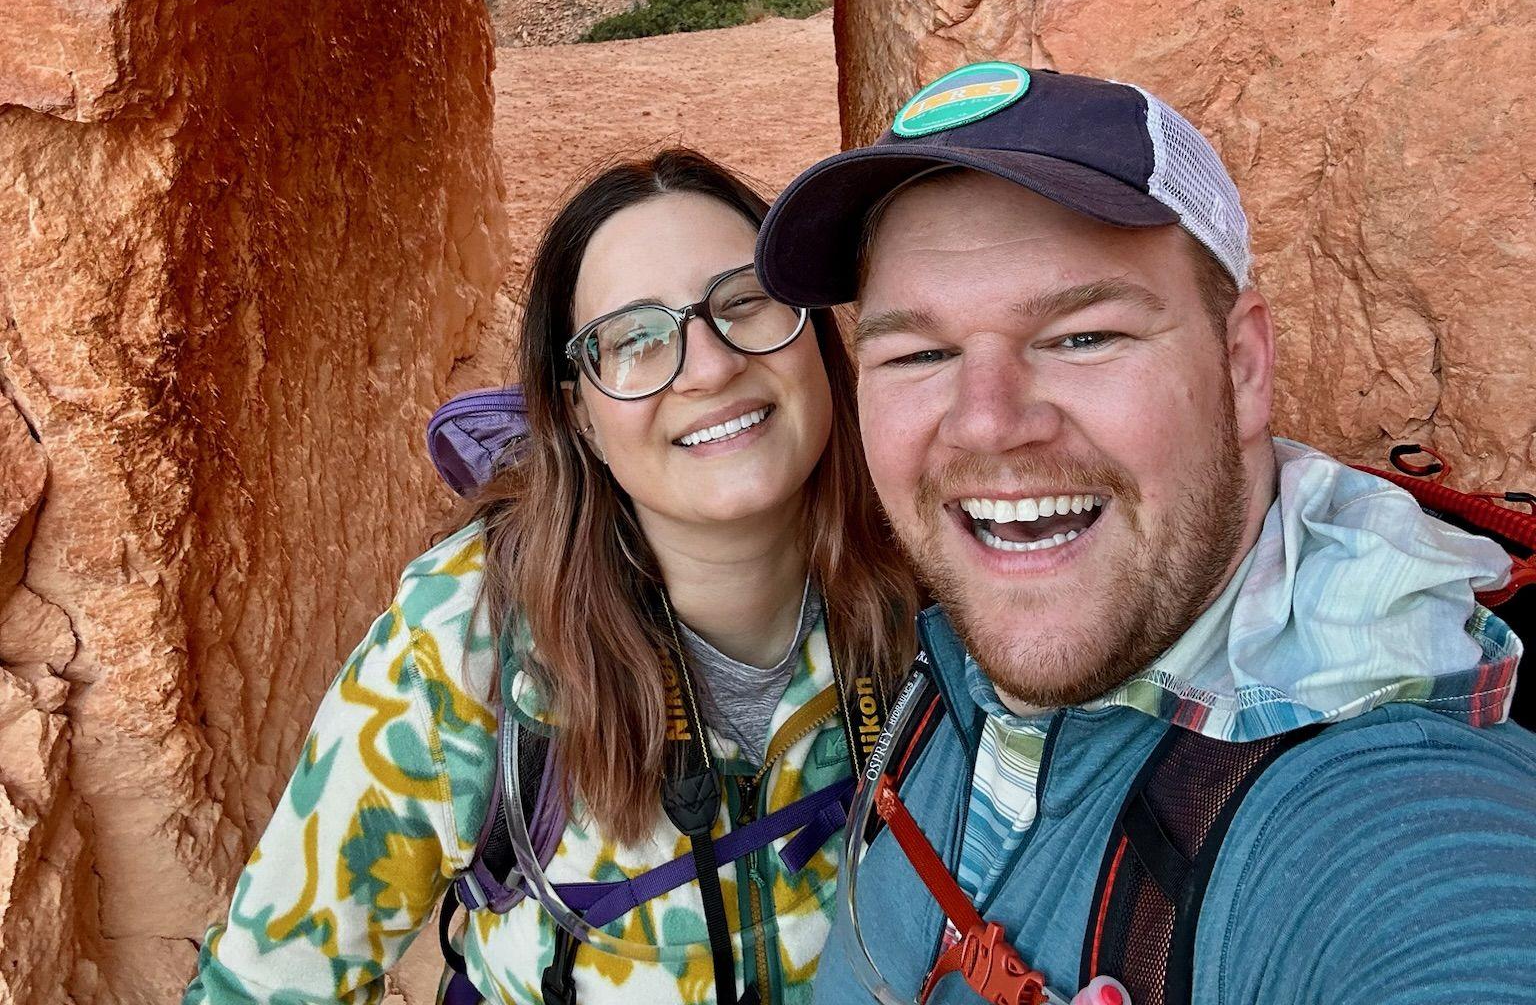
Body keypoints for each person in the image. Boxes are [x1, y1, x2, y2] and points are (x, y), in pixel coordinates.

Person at [753, 61, 1536, 1005]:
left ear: (1242, 367)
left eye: (1084, 336)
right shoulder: (958, 638)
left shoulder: (1386, 817)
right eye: (922, 353)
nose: (987, 422)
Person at [185, 149, 918, 1005]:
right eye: (636, 340)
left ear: (818, 338)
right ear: (580, 412)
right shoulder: (467, 643)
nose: (713, 367)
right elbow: (263, 986)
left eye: (745, 303)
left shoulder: (932, 578)